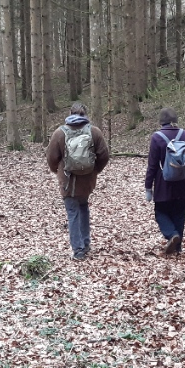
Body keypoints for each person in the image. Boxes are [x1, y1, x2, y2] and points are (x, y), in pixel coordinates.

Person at [45, 102, 110, 260]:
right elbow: (104, 156)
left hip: (68, 181)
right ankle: (86, 243)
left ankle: (78, 250)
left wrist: (58, 171)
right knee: (83, 207)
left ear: (70, 113)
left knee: (73, 212)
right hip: (87, 181)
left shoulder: (59, 133)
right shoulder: (94, 132)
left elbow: (51, 158)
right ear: (85, 114)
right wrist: (95, 170)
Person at [144, 108, 185, 256]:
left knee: (160, 212)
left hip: (163, 183)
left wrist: (148, 187)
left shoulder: (157, 137)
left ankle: (172, 235)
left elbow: (152, 165)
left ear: (161, 121)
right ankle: (177, 248)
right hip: (184, 182)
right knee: (179, 213)